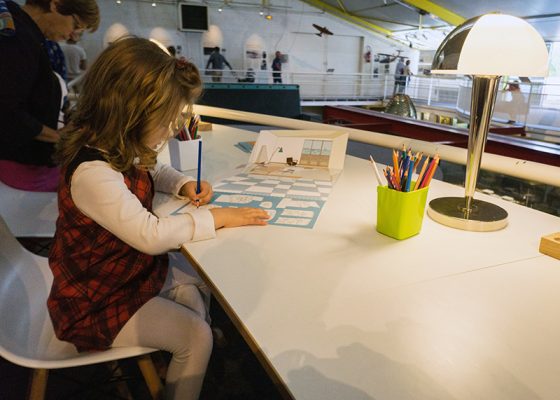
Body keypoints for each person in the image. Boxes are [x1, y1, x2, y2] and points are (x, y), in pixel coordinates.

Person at [47, 37, 270, 400]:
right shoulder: (92, 172)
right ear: (130, 110)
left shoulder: (116, 143)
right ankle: (190, 359)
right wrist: (217, 218)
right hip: (94, 298)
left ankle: (185, 365)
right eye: (166, 120)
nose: (171, 129)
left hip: (124, 271)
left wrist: (182, 184)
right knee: (195, 334)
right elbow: (150, 236)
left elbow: (152, 169)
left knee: (196, 286)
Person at [0, 0, 99, 192]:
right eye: (76, 25)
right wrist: (56, 137)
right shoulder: (16, 39)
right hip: (22, 167)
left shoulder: (22, 32)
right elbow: (6, 110)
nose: (73, 35)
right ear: (57, 5)